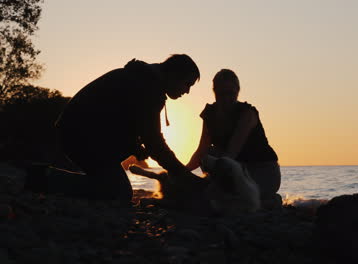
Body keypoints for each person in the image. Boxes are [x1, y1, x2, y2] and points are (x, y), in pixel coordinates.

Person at [51, 54, 202, 202]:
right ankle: (40, 177)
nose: (187, 91)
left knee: (110, 187)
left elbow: (119, 118)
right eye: (187, 84)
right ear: (174, 75)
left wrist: (134, 147)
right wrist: (182, 174)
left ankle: (46, 177)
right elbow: (154, 142)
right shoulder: (148, 88)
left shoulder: (143, 80)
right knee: (118, 192)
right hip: (78, 135)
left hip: (79, 132)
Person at [186, 69, 281, 208]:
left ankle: (265, 199)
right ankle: (222, 192)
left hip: (262, 170)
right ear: (214, 92)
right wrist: (182, 172)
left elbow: (230, 155)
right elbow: (201, 150)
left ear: (238, 91)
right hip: (234, 168)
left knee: (218, 182)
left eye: (230, 93)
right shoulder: (210, 114)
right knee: (208, 154)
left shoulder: (247, 114)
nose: (226, 98)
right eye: (221, 93)